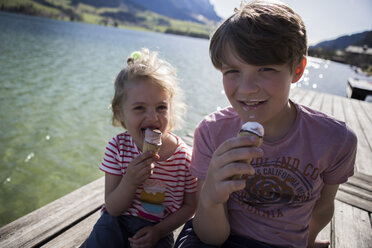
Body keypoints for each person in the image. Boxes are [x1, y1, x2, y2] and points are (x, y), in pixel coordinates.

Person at [174, 1, 357, 248]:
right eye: (232, 71)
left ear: (298, 69)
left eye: (266, 68)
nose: (247, 88)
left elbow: (324, 206)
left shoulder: (336, 140)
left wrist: (307, 240)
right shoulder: (211, 132)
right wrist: (210, 200)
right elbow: (210, 236)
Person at [85, 48, 197, 248]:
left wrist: (159, 231)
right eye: (139, 108)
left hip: (157, 230)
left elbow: (190, 206)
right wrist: (130, 181)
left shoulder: (184, 158)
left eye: (161, 107)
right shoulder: (117, 148)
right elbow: (113, 207)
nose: (153, 117)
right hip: (115, 223)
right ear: (120, 114)